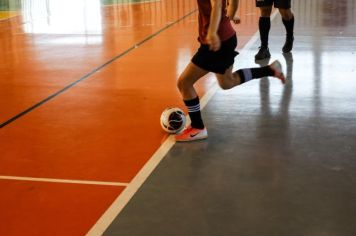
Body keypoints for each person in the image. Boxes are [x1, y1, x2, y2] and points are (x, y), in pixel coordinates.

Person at [175, 0, 285, 142]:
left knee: (184, 83)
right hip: (226, 37)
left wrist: (212, 32)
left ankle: (198, 127)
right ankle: (270, 70)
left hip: (217, 41)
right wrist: (231, 16)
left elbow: (217, 5)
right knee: (227, 82)